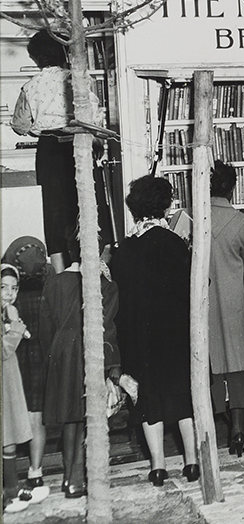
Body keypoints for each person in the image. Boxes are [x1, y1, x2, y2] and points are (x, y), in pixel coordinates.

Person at [111, 175, 198, 485]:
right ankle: (191, 463)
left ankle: (158, 467)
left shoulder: (125, 247)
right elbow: (194, 287)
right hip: (174, 334)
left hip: (138, 336)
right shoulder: (175, 243)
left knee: (148, 398)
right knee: (183, 395)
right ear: (163, 206)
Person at [10, 31, 111, 272]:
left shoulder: (30, 86)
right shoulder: (80, 80)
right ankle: (98, 270)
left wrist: (37, 129)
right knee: (87, 205)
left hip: (49, 151)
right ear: (64, 52)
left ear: (36, 58)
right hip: (78, 145)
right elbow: (94, 119)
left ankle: (61, 275)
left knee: (55, 212)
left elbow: (19, 125)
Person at [39, 238, 120, 498]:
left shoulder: (54, 283)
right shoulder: (104, 286)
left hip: (61, 353)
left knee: (69, 415)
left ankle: (68, 477)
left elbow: (45, 328)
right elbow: (108, 327)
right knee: (87, 415)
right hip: (89, 351)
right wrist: (113, 367)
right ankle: (78, 476)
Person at [208, 160, 244, 457]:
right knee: (237, 364)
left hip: (202, 300)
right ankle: (237, 431)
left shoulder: (190, 218)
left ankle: (210, 430)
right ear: (233, 188)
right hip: (233, 299)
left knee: (210, 364)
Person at [4, 237, 49, 494]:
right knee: (36, 416)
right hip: (39, 357)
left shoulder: (10, 297)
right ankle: (36, 471)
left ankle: (11, 478)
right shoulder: (48, 288)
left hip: (15, 360)